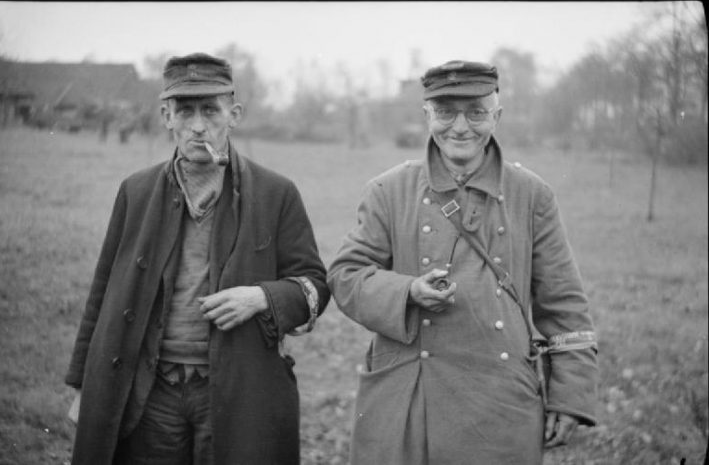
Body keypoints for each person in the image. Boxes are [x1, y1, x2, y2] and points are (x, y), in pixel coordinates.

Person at [65, 53, 330, 465]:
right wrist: (82, 386)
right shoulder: (135, 192)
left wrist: (261, 297)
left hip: (234, 392)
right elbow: (103, 292)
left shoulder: (276, 193)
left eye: (211, 109)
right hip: (150, 389)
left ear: (234, 114)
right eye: (184, 111)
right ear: (165, 116)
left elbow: (315, 284)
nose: (198, 125)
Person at [327, 60, 598, 464]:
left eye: (475, 112)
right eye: (445, 111)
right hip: (409, 398)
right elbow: (345, 276)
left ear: (497, 115)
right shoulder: (388, 190)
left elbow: (565, 306)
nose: (460, 127)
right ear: (426, 115)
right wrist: (407, 292)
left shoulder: (532, 195)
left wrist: (569, 396)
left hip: (501, 401)